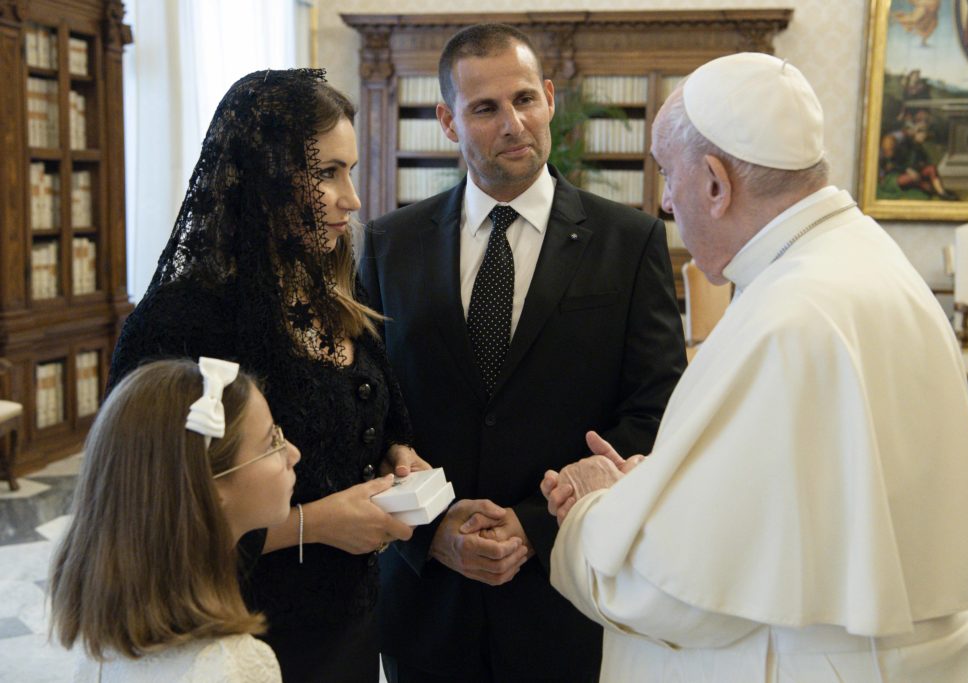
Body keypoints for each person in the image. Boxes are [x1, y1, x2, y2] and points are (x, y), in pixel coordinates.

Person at [540, 52, 968, 682]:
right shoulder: (863, 256)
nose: (668, 204)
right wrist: (657, 487)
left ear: (714, 181)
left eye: (668, 176)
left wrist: (597, 510)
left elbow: (684, 589)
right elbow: (796, 491)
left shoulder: (789, 316)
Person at [359, 23, 686, 683]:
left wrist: (536, 524)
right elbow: (367, 409)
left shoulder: (629, 241)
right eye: (485, 108)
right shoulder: (391, 245)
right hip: (427, 600)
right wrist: (431, 527)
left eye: (525, 99)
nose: (513, 123)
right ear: (449, 121)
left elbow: (658, 406)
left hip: (565, 591)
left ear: (550, 98)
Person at [107, 69, 427, 682]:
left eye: (351, 171)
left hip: (351, 617)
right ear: (268, 176)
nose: (352, 198)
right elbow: (151, 516)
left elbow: (371, 414)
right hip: (241, 633)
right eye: (328, 173)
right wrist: (318, 523)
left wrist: (395, 453)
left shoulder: (329, 288)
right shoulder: (183, 319)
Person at [50, 357, 298, 681]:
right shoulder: (236, 666)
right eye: (272, 442)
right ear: (211, 486)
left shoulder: (104, 648)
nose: (293, 453)